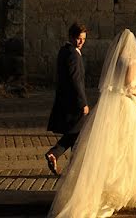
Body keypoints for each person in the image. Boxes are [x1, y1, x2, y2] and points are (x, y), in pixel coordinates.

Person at [47, 29, 136, 218]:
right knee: (127, 147)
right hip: (126, 106)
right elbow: (131, 87)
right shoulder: (130, 61)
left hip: (112, 104)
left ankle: (100, 182)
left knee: (108, 146)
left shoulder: (116, 62)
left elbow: (114, 84)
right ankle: (121, 186)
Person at [45, 22, 89, 176]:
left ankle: (60, 158)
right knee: (77, 132)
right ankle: (58, 155)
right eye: (78, 38)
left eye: (83, 39)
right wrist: (83, 103)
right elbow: (75, 80)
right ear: (71, 37)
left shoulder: (64, 51)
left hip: (66, 100)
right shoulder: (73, 54)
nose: (81, 42)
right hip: (73, 102)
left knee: (75, 133)